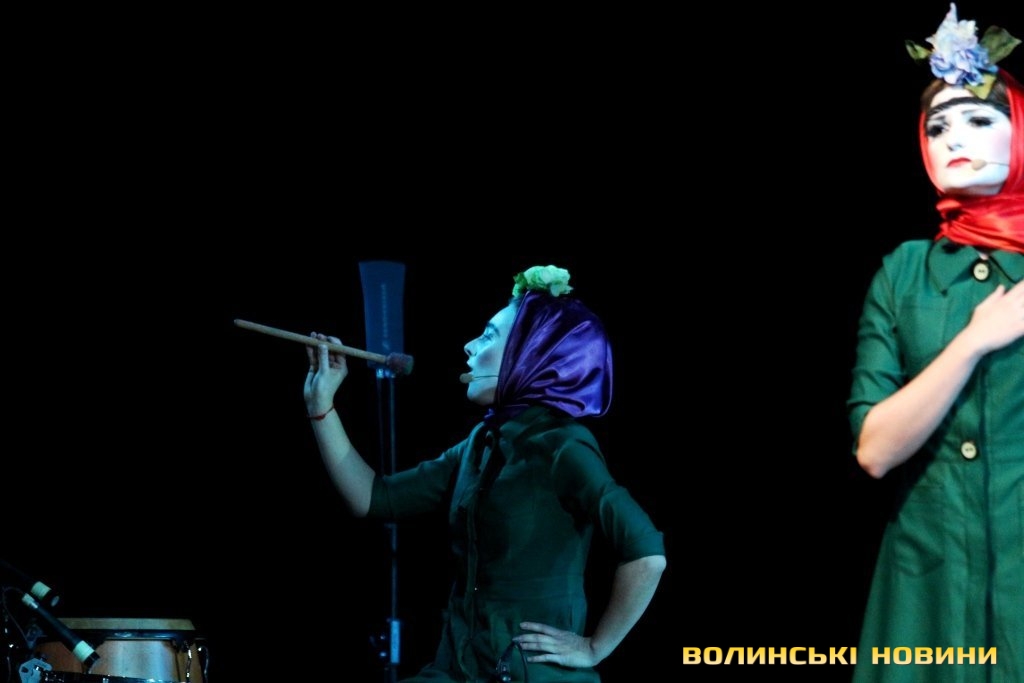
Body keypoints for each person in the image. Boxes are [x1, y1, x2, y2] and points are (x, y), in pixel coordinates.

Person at [303, 264, 666, 682]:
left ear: (531, 354)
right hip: (460, 668)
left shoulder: (562, 445)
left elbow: (647, 556)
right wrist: (321, 405)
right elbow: (372, 498)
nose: (470, 346)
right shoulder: (482, 442)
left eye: (489, 336)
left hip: (530, 675)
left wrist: (594, 647)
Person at [848, 4, 1023, 681]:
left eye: (979, 119)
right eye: (937, 127)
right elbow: (874, 449)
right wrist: (972, 342)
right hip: (926, 587)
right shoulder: (903, 272)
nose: (954, 138)